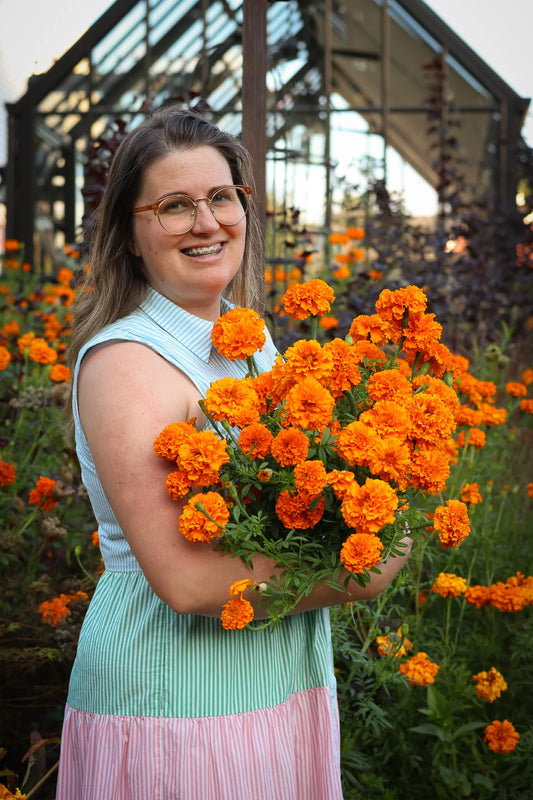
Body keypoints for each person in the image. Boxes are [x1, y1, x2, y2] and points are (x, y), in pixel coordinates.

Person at [57, 106, 411, 799]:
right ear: (130, 233)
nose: (207, 222)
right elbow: (187, 583)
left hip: (274, 679)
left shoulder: (248, 345)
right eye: (175, 206)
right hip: (180, 694)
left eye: (221, 197)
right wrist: (365, 569)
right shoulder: (129, 364)